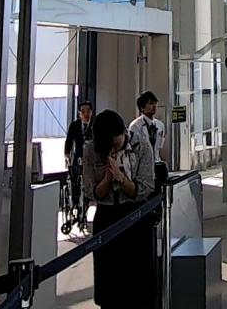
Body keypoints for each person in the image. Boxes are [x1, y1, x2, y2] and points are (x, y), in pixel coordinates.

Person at [83, 109, 157, 308]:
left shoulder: (141, 146)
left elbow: (146, 188)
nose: (112, 150)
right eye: (107, 148)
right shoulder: (91, 149)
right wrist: (108, 178)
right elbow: (91, 191)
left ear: (123, 132)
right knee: (109, 284)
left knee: (139, 284)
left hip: (136, 216)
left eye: (115, 145)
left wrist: (122, 179)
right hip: (106, 217)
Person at [64, 101, 94, 228]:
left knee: (88, 185)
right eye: (83, 111)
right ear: (79, 113)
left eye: (88, 111)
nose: (86, 114)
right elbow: (69, 141)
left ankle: (85, 208)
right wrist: (67, 155)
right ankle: (75, 204)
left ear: (92, 112)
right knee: (75, 181)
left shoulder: (95, 125)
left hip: (91, 159)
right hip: (78, 158)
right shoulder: (75, 125)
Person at [128, 91, 166, 158]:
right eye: (150, 103)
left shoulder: (160, 125)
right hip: (141, 162)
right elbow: (133, 150)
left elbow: (159, 147)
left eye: (155, 103)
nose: (154, 106)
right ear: (142, 108)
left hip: (156, 161)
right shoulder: (135, 126)